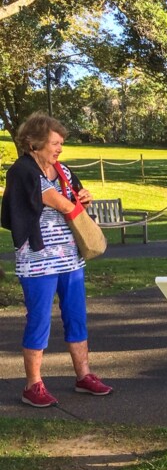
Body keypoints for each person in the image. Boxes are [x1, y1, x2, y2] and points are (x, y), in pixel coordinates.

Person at [0, 113, 114, 407]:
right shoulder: (23, 171)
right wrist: (73, 202)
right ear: (35, 143)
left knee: (76, 317)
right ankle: (33, 385)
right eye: (55, 143)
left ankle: (84, 376)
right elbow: (60, 202)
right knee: (39, 321)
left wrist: (83, 196)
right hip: (38, 260)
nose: (60, 148)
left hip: (69, 259)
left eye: (61, 143)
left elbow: (73, 197)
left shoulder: (61, 170)